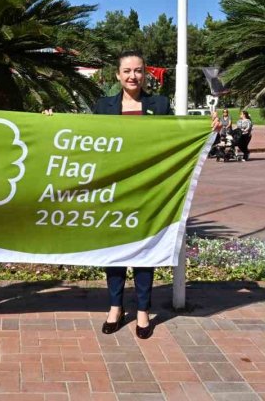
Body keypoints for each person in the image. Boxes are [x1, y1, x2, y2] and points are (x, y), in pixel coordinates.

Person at [89, 50, 171, 339]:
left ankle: (143, 310)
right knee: (116, 252)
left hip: (147, 191)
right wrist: (50, 122)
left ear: (145, 73)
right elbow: (84, 137)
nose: (132, 76)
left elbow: (175, 137)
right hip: (115, 191)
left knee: (144, 251)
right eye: (127, 71)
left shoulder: (160, 105)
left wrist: (206, 128)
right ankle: (115, 307)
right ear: (118, 75)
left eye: (138, 70)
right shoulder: (103, 105)